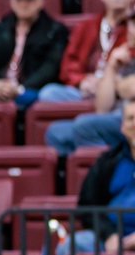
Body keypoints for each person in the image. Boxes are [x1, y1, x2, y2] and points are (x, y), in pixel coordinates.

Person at [47, 11, 135, 156]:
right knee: (56, 132)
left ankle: (113, 167)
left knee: (84, 126)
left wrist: (118, 85)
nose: (131, 29)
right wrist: (111, 67)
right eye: (131, 23)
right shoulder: (123, 57)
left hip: (128, 118)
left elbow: (131, 88)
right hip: (119, 117)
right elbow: (102, 108)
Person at [43, 0, 134, 103]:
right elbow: (68, 66)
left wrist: (111, 83)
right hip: (84, 90)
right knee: (49, 93)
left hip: (118, 92)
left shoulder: (132, 29)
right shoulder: (85, 27)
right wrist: (82, 81)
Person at [58, 99, 135, 255]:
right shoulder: (108, 162)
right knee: (71, 246)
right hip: (113, 240)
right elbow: (87, 207)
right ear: (122, 127)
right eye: (130, 119)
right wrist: (109, 234)